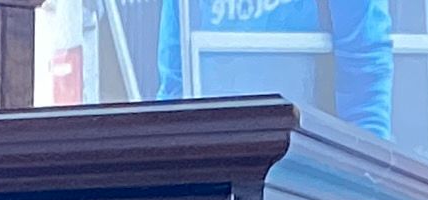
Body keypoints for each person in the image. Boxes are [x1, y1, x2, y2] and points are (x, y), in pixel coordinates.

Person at [167, 0, 397, 142]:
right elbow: (174, 89)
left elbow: (365, 86)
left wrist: (369, 188)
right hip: (220, 168)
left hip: (312, 172)